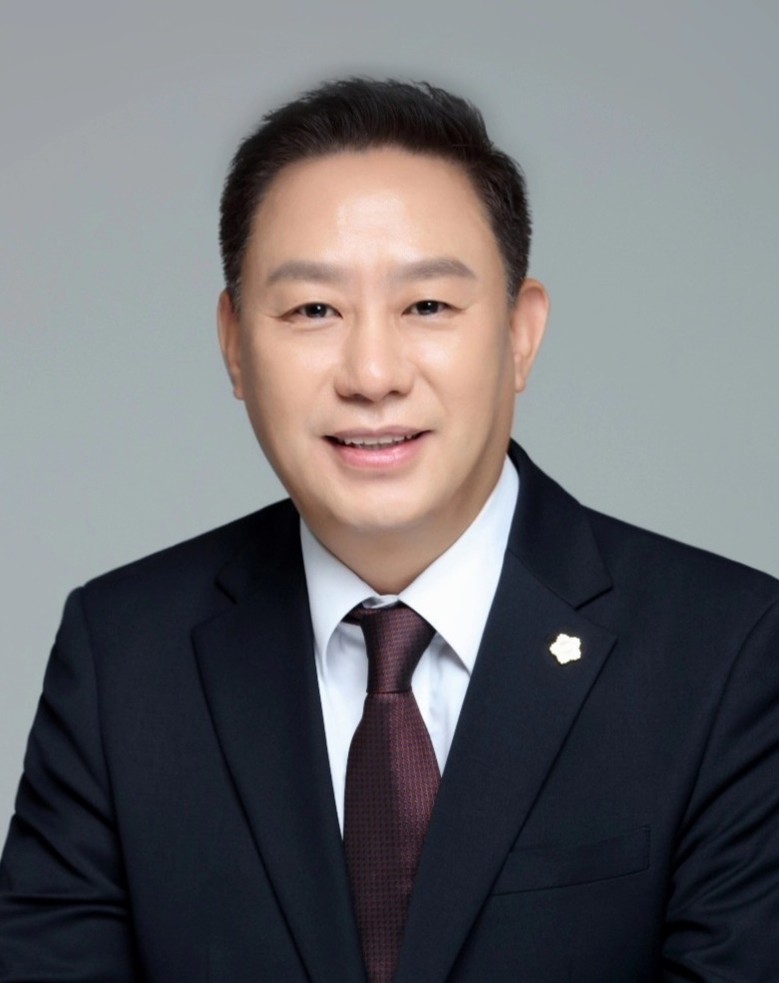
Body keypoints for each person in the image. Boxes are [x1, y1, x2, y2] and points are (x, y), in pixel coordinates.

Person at [1, 77, 778, 983]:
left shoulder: (726, 653)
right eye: (313, 310)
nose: (371, 374)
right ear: (234, 344)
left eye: (427, 306)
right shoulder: (123, 656)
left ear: (520, 334)